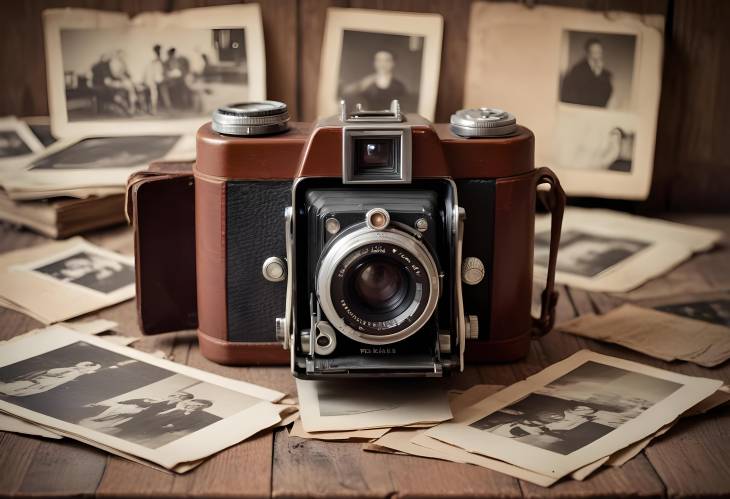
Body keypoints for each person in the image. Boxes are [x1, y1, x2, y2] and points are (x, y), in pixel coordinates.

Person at [342, 50, 406, 110]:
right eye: (379, 60)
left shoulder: (399, 86)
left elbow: (401, 109)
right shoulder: (366, 82)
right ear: (374, 63)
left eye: (387, 60)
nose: (382, 64)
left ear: (393, 63)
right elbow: (347, 93)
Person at [560, 38, 613, 107]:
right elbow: (573, 95)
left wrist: (599, 75)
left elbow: (607, 94)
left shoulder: (606, 74)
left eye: (599, 52)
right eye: (594, 52)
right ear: (587, 53)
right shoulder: (577, 70)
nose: (597, 56)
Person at [0, 361, 101, 397]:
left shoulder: (74, 371)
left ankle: (6, 390)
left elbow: (51, 373)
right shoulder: (75, 371)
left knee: (16, 386)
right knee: (17, 386)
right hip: (40, 382)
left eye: (89, 366)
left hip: (40, 381)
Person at [143, 44, 170, 115]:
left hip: (158, 78)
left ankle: (167, 107)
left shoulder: (160, 59)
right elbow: (149, 71)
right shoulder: (153, 59)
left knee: (163, 90)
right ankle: (154, 109)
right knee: (154, 92)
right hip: (152, 78)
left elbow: (162, 70)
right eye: (158, 50)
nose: (159, 52)